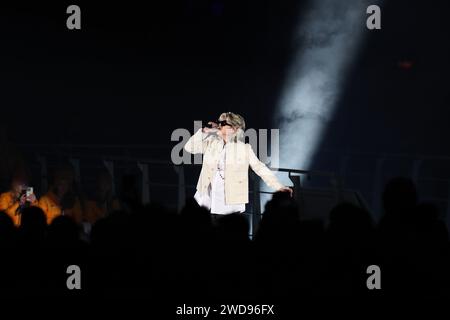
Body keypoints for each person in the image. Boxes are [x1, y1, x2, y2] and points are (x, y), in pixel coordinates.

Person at [184, 112, 292, 219]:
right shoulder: (212, 143)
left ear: (234, 129)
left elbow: (260, 168)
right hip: (204, 200)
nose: (219, 125)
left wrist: (279, 187)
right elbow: (189, 148)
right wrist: (203, 131)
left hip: (228, 204)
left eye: (224, 123)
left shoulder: (244, 149)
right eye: (219, 123)